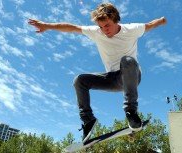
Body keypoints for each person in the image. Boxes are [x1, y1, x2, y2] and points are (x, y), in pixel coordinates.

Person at [28, 2, 167, 143]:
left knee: (128, 60)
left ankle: (131, 111)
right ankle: (88, 120)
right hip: (112, 79)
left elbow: (150, 24)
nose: (104, 30)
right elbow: (72, 27)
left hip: (131, 76)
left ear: (116, 20)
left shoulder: (132, 29)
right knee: (79, 80)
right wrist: (46, 25)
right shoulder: (96, 32)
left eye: (107, 25)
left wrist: (162, 20)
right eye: (101, 27)